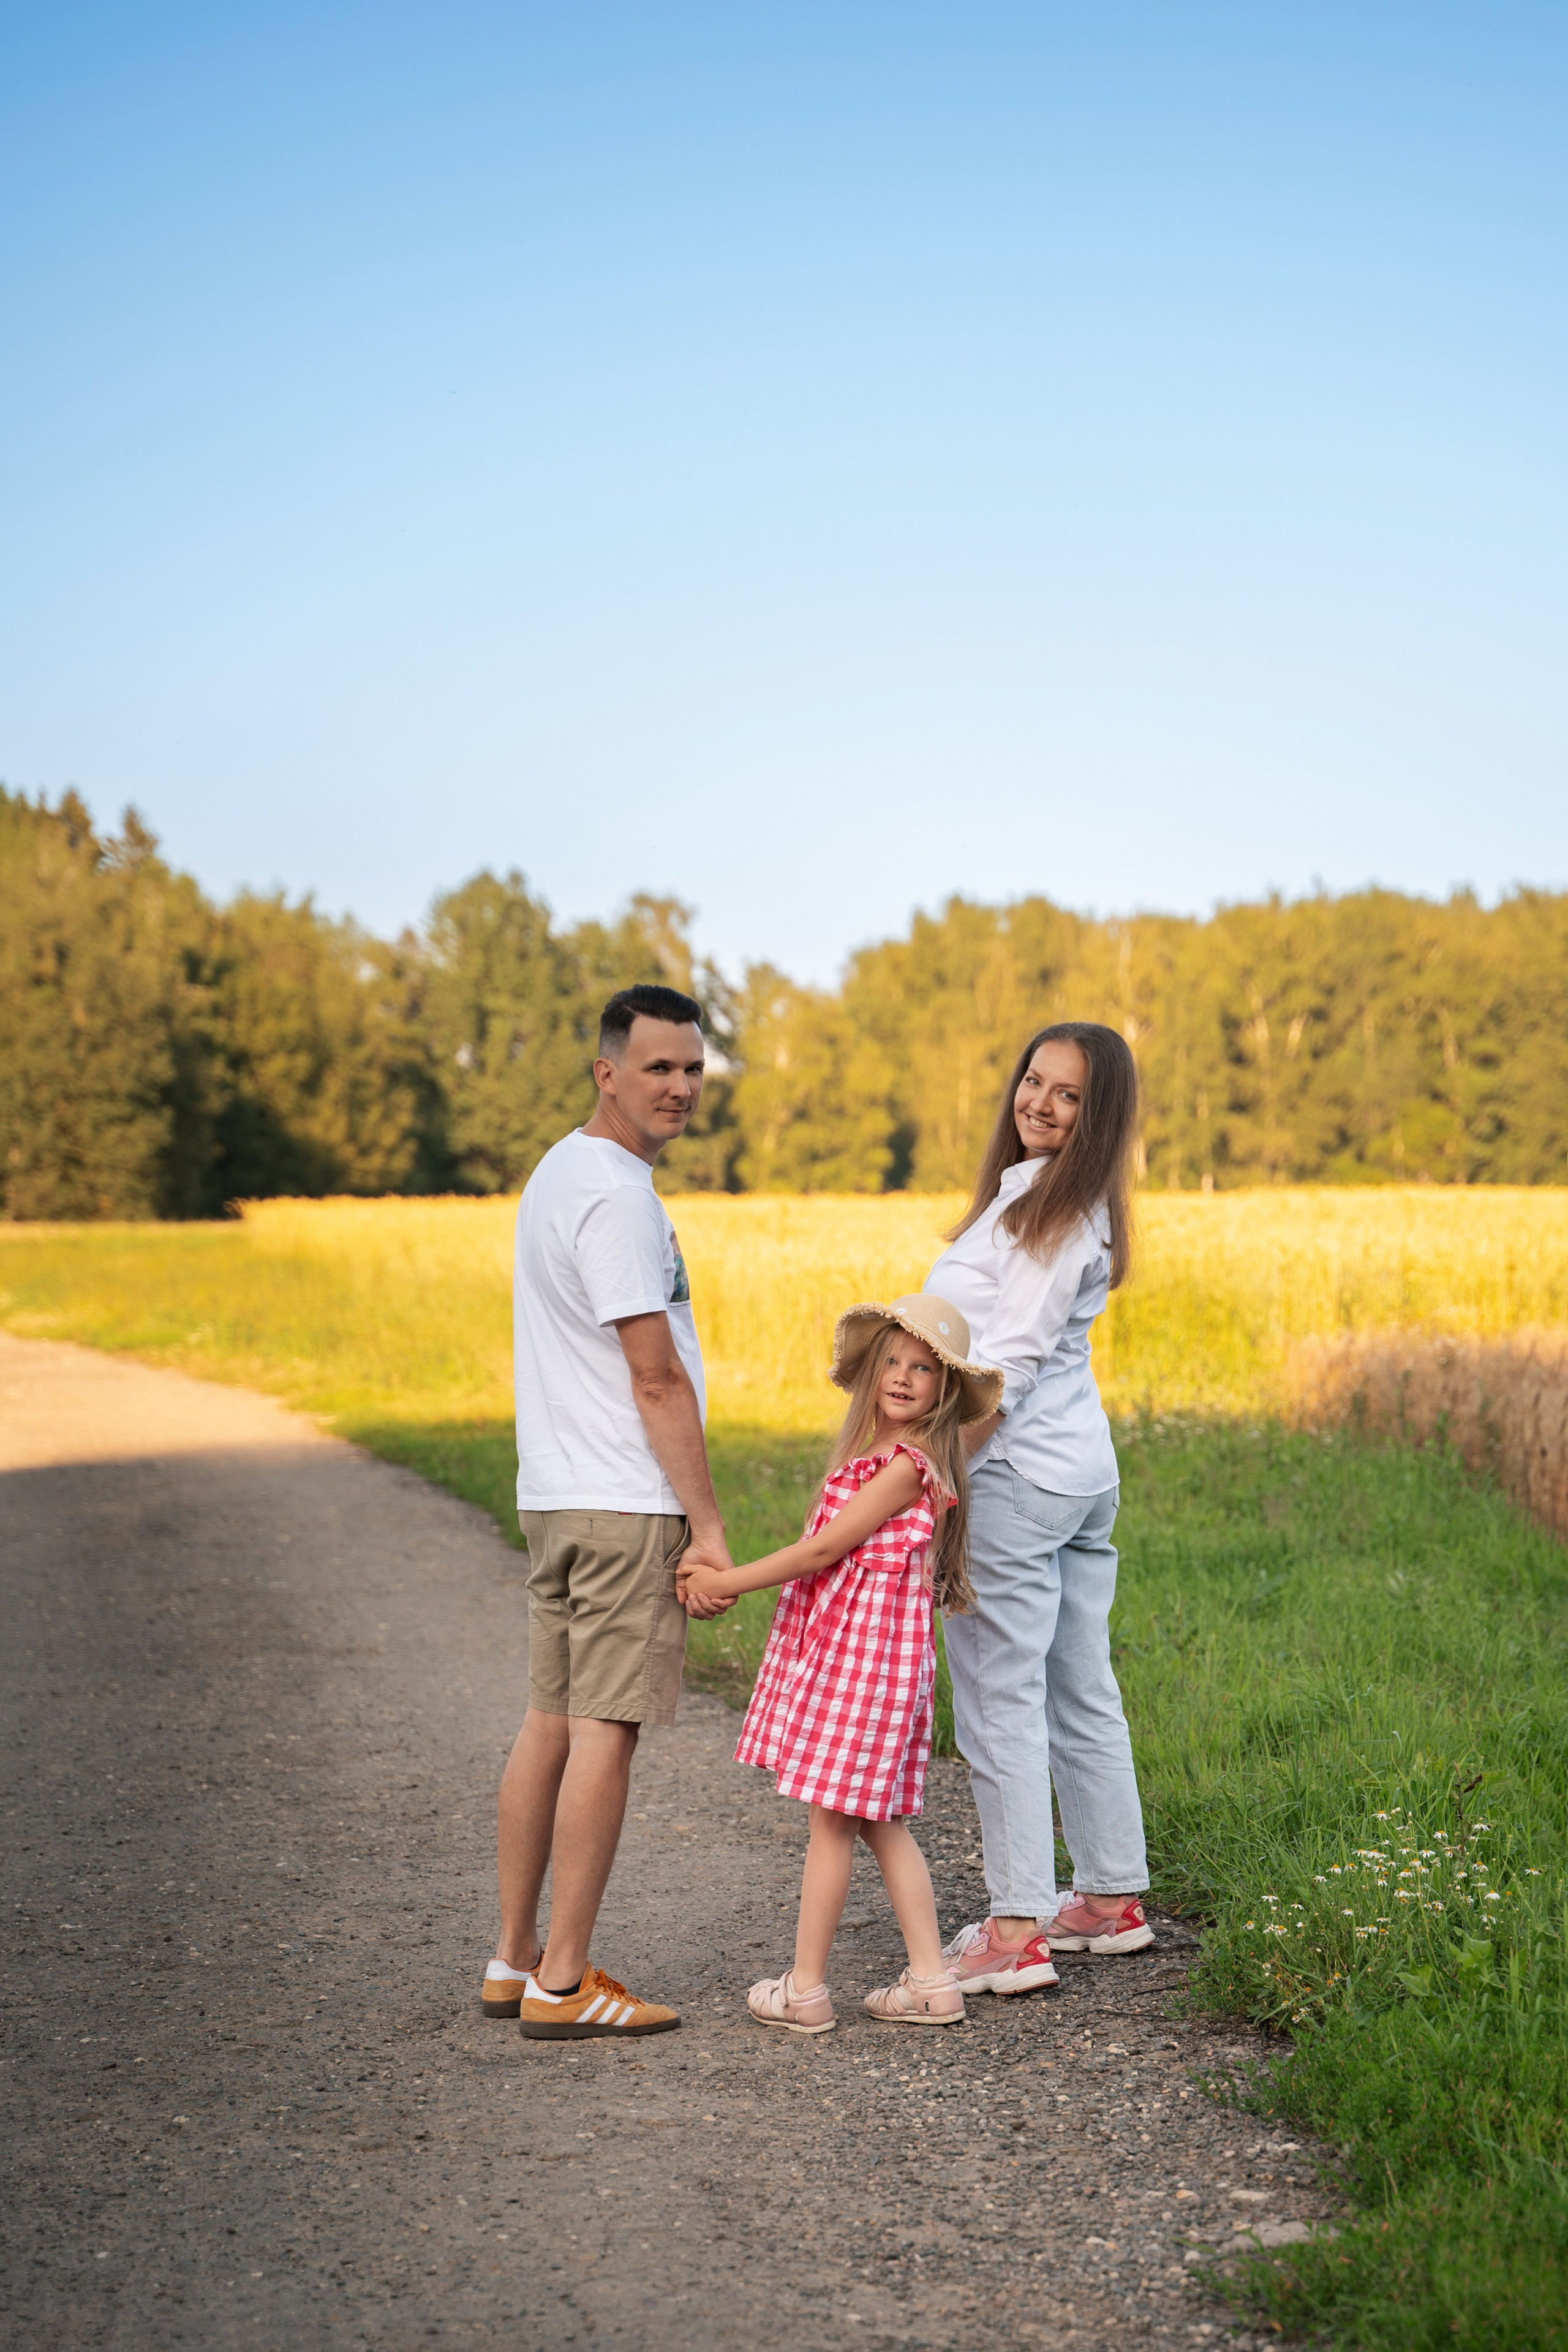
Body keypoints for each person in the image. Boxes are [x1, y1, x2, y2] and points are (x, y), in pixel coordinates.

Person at [483, 982, 736, 2041]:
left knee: (549, 1722)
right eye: (657, 1067)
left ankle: (514, 1960)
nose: (680, 1086)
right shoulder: (620, 1199)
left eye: (693, 1068)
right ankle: (565, 1981)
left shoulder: (561, 1169)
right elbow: (656, 1377)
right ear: (608, 1073)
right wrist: (707, 1526)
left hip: (555, 1494)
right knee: (604, 1735)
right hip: (621, 1501)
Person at [683, 1297, 1014, 2033]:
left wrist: (725, 1581)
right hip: (857, 1661)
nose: (901, 1376)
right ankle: (930, 1982)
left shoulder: (906, 1466)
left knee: (833, 1826)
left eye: (922, 1368)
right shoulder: (877, 1458)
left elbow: (822, 1552)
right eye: (891, 1361)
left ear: (944, 1389)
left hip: (863, 1668)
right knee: (876, 1824)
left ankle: (805, 1991)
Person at [925, 1022, 1154, 1996]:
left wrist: (933, 1473)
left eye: (1069, 1094)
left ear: (1098, 1115)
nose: (1041, 1103)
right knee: (1077, 1683)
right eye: (1034, 1080)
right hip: (1077, 1472)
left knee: (997, 1698)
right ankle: (1107, 1897)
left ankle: (1015, 1927)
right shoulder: (1047, 1199)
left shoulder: (1053, 1213)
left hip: (1018, 1477)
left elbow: (1004, 1370)